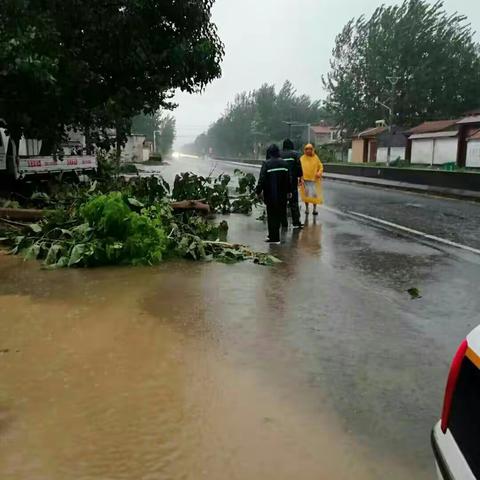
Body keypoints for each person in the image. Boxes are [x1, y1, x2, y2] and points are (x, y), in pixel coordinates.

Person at [256, 144, 290, 244]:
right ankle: (278, 236)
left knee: (272, 216)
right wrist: (289, 191)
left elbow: (261, 179)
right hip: (282, 195)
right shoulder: (284, 164)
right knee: (280, 214)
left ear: (269, 153)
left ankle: (274, 237)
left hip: (270, 195)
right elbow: (288, 179)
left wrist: (258, 192)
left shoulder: (266, 164)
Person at [281, 139, 303, 229]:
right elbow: (298, 167)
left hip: (281, 182)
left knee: (282, 203)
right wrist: (299, 175)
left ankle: (283, 223)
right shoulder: (295, 154)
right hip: (292, 181)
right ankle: (296, 222)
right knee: (294, 202)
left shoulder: (279, 154)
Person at [299, 143, 324, 216]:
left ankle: (314, 209)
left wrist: (319, 173)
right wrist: (300, 178)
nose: (308, 151)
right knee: (306, 195)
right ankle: (307, 208)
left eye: (310, 149)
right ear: (305, 150)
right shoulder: (302, 158)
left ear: (312, 150)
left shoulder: (316, 158)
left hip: (314, 180)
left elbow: (321, 166)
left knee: (314, 195)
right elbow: (299, 168)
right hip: (305, 180)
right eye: (307, 149)